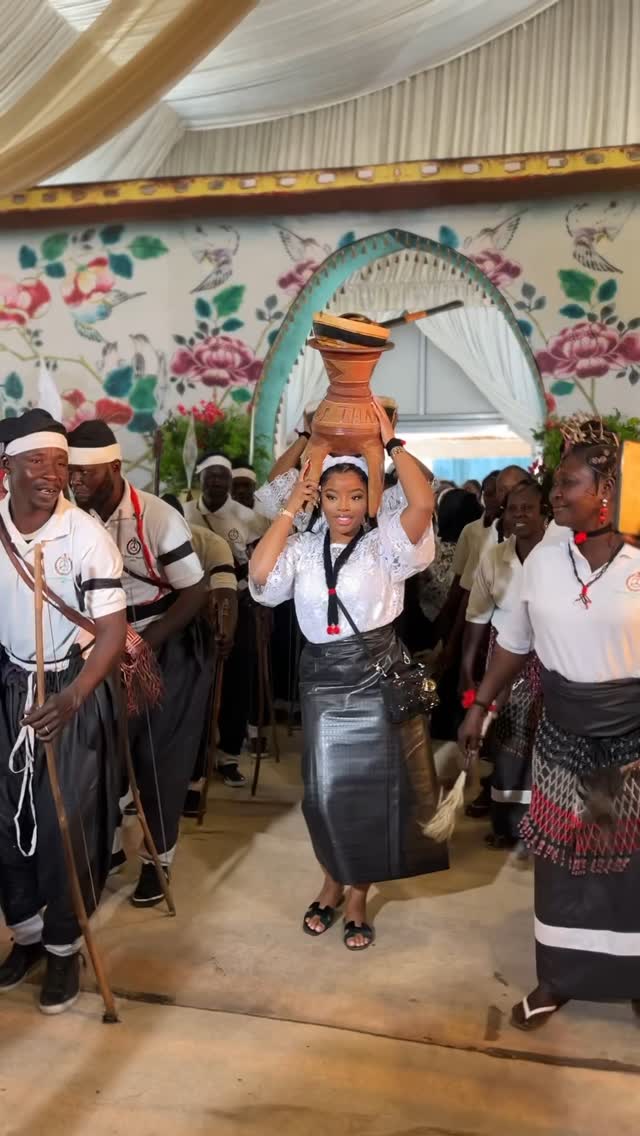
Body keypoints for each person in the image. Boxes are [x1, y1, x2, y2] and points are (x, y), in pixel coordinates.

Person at [459, 423, 640, 1030]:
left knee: (622, 860)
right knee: (564, 863)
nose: (554, 493)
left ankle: (632, 977)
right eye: (556, 481)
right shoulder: (544, 561)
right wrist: (479, 706)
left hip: (628, 742)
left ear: (607, 489)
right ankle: (558, 978)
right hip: (563, 734)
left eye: (568, 482)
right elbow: (514, 643)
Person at [250, 398, 447, 950]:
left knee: (371, 794)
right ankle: (332, 878)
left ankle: (353, 893)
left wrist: (391, 444)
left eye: (356, 496)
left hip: (374, 674)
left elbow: (423, 502)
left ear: (370, 500)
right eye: (333, 496)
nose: (343, 507)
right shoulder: (303, 546)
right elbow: (261, 579)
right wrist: (293, 504)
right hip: (322, 681)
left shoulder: (386, 544)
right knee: (324, 793)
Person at [0, 410, 126, 1014]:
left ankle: (61, 946)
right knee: (4, 820)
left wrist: (73, 698)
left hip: (69, 686)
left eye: (59, 462)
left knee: (63, 825)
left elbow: (110, 630)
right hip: (9, 682)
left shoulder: (85, 538)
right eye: (37, 462)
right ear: (9, 471)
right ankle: (25, 934)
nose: (53, 474)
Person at [68, 421, 210, 907]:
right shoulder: (71, 516)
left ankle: (157, 859)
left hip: (164, 639)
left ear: (114, 467)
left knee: (158, 756)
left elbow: (195, 592)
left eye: (86, 473)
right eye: (71, 472)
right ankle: (104, 848)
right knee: (99, 750)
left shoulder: (157, 517)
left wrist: (146, 642)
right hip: (102, 640)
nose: (76, 481)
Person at [461, 481, 547, 848]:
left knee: (544, 746)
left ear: (545, 511)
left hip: (549, 660)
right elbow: (476, 619)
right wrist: (469, 673)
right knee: (508, 743)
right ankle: (509, 826)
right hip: (507, 658)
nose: (520, 515)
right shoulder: (494, 557)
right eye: (513, 509)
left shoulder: (560, 554)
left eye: (529, 508)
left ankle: (543, 827)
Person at [184, 453, 269, 783]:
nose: (217, 482)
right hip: (196, 607)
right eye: (211, 476)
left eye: (223, 477)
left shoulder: (248, 518)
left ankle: (229, 755)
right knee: (198, 683)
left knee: (237, 683)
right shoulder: (184, 513)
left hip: (239, 606)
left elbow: (261, 561)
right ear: (200, 479)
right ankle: (197, 754)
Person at [160, 493, 238, 815]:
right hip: (154, 628)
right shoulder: (143, 536)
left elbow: (225, 592)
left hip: (198, 627)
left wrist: (226, 631)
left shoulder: (211, 543)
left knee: (196, 708)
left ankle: (193, 781)